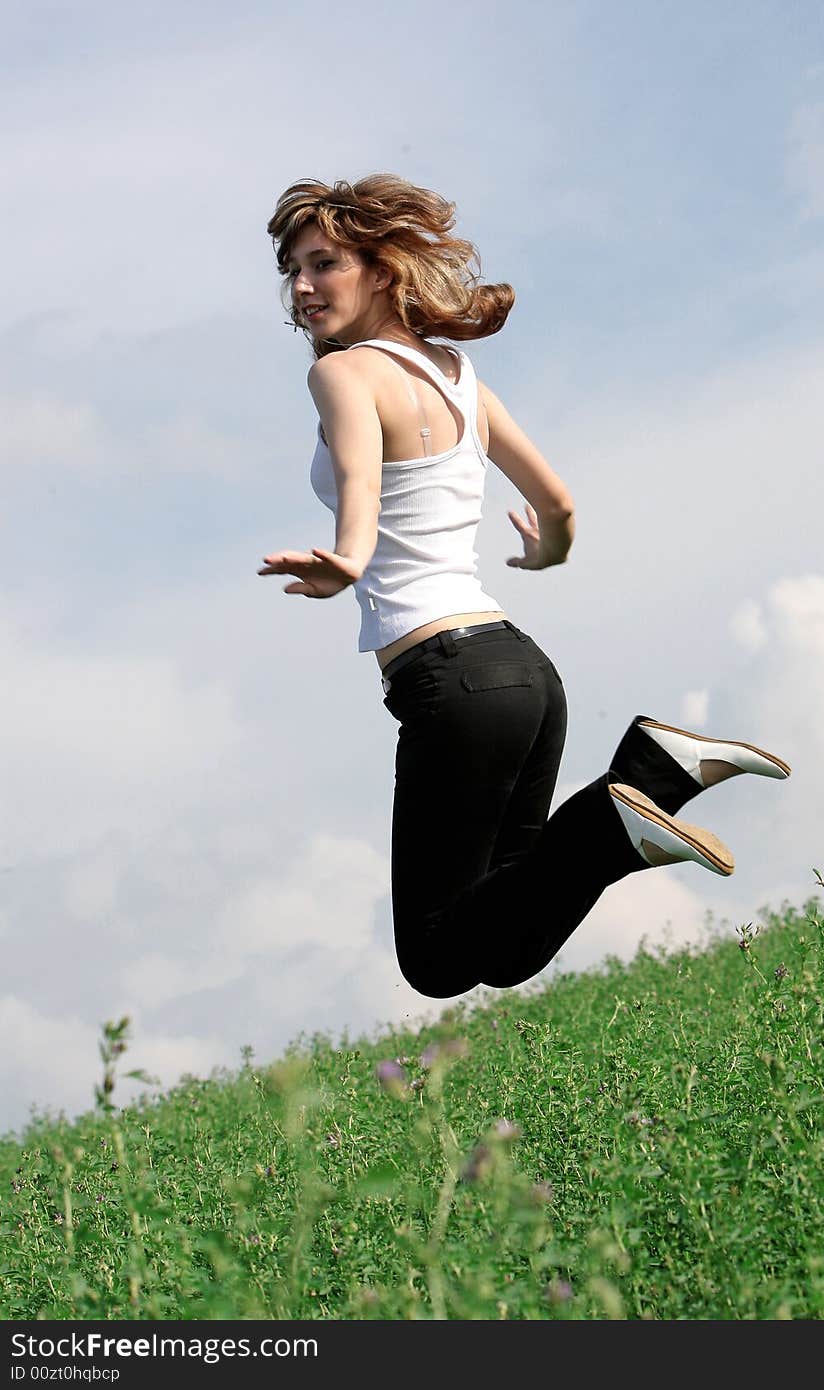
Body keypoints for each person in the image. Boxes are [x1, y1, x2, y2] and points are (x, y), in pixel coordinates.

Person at [259, 174, 790, 1000]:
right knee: (501, 947)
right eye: (291, 270)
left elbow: (361, 483)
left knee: (434, 960)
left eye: (323, 264)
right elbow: (559, 502)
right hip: (523, 674)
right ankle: (656, 771)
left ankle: (618, 822)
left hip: (452, 681)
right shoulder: (459, 377)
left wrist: (349, 560)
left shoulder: (343, 375)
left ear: (382, 269)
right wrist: (550, 552)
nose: (301, 288)